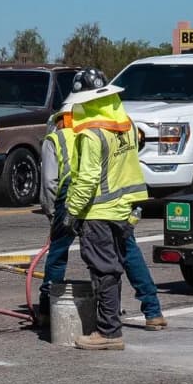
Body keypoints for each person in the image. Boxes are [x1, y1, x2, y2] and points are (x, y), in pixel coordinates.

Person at [37, 69, 166, 336]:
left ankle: (49, 312)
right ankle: (152, 311)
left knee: (61, 255)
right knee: (128, 253)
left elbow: (56, 182)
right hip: (121, 199)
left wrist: (60, 214)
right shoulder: (123, 124)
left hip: (81, 199)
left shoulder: (77, 133)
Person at [62, 81, 152, 351]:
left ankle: (108, 332)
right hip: (122, 209)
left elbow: (88, 178)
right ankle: (111, 327)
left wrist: (72, 211)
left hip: (98, 211)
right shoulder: (126, 124)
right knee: (114, 268)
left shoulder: (92, 133)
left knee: (103, 271)